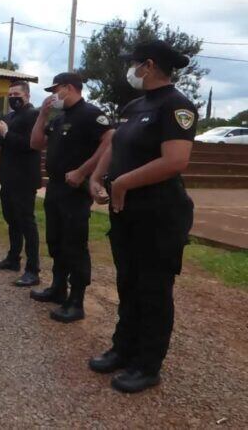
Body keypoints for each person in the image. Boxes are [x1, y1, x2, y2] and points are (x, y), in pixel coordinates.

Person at [88, 40, 196, 393]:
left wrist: (123, 183)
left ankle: (148, 365)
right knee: (128, 284)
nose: (129, 70)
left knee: (153, 290)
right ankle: (124, 349)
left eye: (132, 64)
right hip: (127, 213)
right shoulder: (135, 105)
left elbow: (176, 161)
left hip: (159, 215)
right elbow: (116, 144)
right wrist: (96, 178)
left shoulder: (177, 106)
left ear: (149, 66)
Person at [29, 73, 113, 322]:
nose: (51, 95)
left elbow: (110, 140)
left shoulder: (90, 114)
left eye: (54, 90)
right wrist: (43, 114)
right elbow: (35, 143)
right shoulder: (59, 117)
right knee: (55, 240)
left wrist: (83, 171)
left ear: (68, 88)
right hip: (55, 187)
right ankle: (58, 288)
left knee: (74, 244)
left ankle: (76, 301)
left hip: (75, 191)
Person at [0, 80, 42, 287]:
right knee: (12, 220)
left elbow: (29, 145)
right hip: (7, 179)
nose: (12, 98)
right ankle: (13, 258)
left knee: (27, 222)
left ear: (27, 95)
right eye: (9, 94)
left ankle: (33, 269)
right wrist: (1, 135)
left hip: (24, 179)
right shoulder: (8, 116)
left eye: (16, 94)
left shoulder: (33, 115)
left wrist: (6, 135)